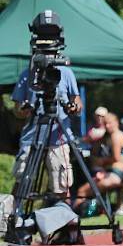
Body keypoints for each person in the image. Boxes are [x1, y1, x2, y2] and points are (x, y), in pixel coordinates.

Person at [11, 64, 82, 199]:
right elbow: (17, 109)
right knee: (22, 180)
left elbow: (77, 102)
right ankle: (12, 216)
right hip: (32, 137)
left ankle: (64, 216)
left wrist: (73, 108)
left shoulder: (66, 72)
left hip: (58, 137)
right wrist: (23, 110)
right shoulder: (28, 74)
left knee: (61, 182)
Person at [74, 113, 123, 212]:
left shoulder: (115, 136)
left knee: (82, 191)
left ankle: (76, 215)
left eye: (110, 123)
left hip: (115, 175)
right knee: (92, 188)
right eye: (105, 124)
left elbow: (116, 158)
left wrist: (101, 161)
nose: (107, 126)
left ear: (116, 122)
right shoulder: (115, 135)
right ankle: (93, 211)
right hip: (116, 173)